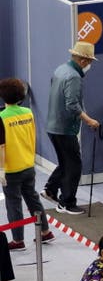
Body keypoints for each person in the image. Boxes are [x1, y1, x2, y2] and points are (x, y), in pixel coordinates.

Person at [42, 40, 100, 215]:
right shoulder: (73, 77)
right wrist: (90, 120)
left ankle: (50, 190)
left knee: (66, 162)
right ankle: (67, 202)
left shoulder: (60, 69)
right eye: (89, 62)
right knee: (74, 164)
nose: (89, 65)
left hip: (53, 125)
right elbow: (73, 105)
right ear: (83, 60)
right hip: (64, 128)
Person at [0, 78, 54, 251]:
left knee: (13, 203)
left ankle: (17, 240)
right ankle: (45, 232)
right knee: (33, 198)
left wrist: (1, 170)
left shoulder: (2, 117)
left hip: (11, 169)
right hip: (28, 165)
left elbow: (2, 146)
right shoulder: (28, 113)